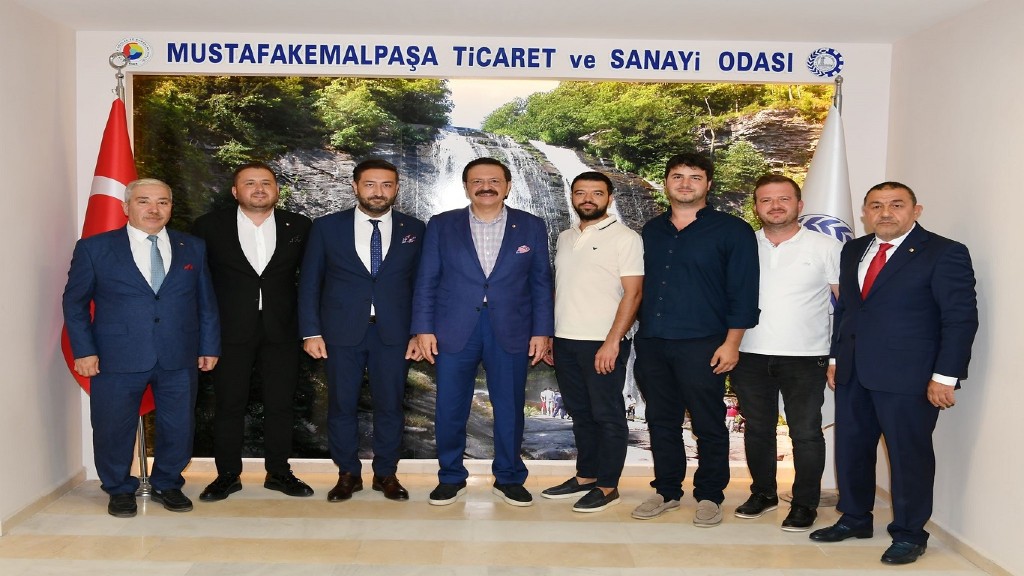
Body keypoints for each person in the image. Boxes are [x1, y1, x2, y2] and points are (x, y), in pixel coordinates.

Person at [809, 182, 978, 565]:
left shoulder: (944, 252)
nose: (885, 213)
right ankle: (854, 518)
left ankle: (909, 533)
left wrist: (945, 376)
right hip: (854, 371)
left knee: (908, 457)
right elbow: (848, 310)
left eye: (896, 205)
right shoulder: (854, 249)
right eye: (876, 206)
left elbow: (959, 319)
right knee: (851, 449)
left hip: (910, 377)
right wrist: (836, 358)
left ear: (916, 211)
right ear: (865, 212)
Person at [62, 178, 220, 517]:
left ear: (171, 208)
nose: (154, 209)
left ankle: (168, 483)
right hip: (116, 355)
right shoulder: (94, 248)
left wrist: (209, 345)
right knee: (113, 427)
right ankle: (119, 488)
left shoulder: (192, 247)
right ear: (126, 206)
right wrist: (84, 350)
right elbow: (75, 304)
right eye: (144, 201)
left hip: (179, 353)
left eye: (163, 202)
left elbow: (205, 302)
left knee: (179, 425)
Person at [412, 157, 554, 507]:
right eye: (477, 181)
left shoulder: (531, 225)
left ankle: (509, 477)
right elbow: (427, 279)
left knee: (509, 407)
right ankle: (450, 477)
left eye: (494, 180)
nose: (485, 187)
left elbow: (541, 282)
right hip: (453, 327)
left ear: (507, 186)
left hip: (512, 327)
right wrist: (423, 328)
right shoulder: (442, 224)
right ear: (466, 187)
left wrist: (542, 331)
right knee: (449, 406)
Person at [631, 152, 759, 527]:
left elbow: (744, 291)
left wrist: (732, 343)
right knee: (660, 420)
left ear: (708, 184)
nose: (685, 183)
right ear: (666, 182)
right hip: (652, 340)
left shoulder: (733, 230)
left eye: (695, 177)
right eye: (678, 176)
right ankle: (667, 491)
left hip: (704, 342)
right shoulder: (650, 231)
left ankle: (709, 495)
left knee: (708, 422)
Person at [298, 158, 425, 502]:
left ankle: (386, 473)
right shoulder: (326, 227)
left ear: (396, 189)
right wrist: (310, 331)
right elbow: (309, 282)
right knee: (341, 405)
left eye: (386, 185)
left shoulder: (415, 229)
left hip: (395, 334)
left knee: (391, 406)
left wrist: (419, 332)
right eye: (370, 184)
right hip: (340, 333)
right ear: (355, 187)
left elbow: (422, 285)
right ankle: (348, 474)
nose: (378, 192)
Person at [192, 162, 314, 502]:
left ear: (277, 190)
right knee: (229, 405)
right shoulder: (208, 226)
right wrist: (203, 335)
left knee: (281, 404)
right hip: (229, 330)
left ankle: (279, 472)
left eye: (266, 183)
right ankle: (227, 475)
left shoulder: (300, 225)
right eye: (250, 183)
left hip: (283, 329)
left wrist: (312, 329)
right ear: (235, 191)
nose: (259, 189)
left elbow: (311, 280)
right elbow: (198, 284)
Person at [729, 174, 840, 531]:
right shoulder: (743, 245)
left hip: (806, 357)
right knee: (757, 430)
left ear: (799, 205)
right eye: (766, 200)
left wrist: (837, 356)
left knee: (805, 433)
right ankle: (763, 494)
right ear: (756, 207)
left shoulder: (827, 247)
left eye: (783, 199)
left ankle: (805, 503)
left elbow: (847, 307)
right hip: (749, 354)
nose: (775, 206)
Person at [541, 171, 643, 513]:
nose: (588, 198)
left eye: (596, 193)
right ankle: (586, 476)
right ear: (572, 197)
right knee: (581, 413)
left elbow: (634, 293)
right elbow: (562, 289)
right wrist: (552, 335)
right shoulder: (565, 237)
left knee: (607, 414)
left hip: (602, 341)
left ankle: (608, 485)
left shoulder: (626, 238)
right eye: (580, 192)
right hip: (566, 340)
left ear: (609, 198)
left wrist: (613, 341)